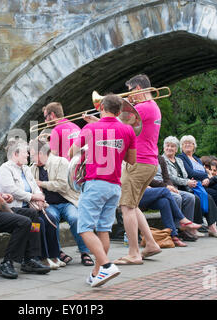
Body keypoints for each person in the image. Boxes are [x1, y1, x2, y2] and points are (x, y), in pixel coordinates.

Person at [69, 94, 137, 287]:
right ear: (119, 111)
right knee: (103, 229)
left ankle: (107, 266)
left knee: (84, 228)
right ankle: (97, 273)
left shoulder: (90, 128)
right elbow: (131, 160)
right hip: (114, 185)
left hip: (95, 184)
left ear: (101, 107)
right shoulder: (128, 130)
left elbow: (71, 152)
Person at [0, 135, 50, 279]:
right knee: (23, 222)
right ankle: (7, 262)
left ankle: (30, 258)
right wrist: (12, 213)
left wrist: (3, 195)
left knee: (33, 216)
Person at [0, 138, 63, 270]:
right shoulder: (5, 168)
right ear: (15, 154)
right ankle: (40, 257)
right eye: (25, 152)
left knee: (51, 218)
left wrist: (40, 198)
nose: (28, 155)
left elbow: (35, 186)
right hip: (16, 208)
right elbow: (12, 190)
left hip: (30, 207)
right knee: (39, 223)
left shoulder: (26, 169)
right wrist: (33, 197)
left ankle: (53, 255)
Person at [116, 74, 162, 263]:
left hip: (138, 162)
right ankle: (150, 243)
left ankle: (134, 253)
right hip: (148, 162)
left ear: (136, 89)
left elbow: (116, 127)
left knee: (126, 206)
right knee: (133, 205)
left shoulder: (142, 108)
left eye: (130, 92)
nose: (129, 96)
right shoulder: (154, 107)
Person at [29, 138, 94, 267]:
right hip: (49, 204)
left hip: (67, 202)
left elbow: (63, 185)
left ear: (40, 153)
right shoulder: (32, 168)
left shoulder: (60, 162)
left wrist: (41, 183)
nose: (31, 158)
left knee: (75, 218)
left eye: (32, 154)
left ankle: (84, 252)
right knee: (51, 220)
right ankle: (57, 252)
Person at [162, 136, 217, 237]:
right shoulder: (165, 159)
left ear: (176, 149)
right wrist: (188, 181)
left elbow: (186, 174)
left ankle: (213, 227)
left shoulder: (180, 160)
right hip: (178, 187)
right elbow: (172, 177)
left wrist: (190, 181)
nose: (170, 148)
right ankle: (198, 227)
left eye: (172, 146)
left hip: (191, 185)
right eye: (168, 146)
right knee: (201, 197)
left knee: (216, 190)